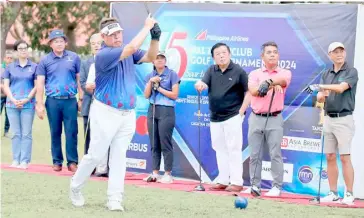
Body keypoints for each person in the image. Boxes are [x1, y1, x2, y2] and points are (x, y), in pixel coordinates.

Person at [69, 16, 160, 211]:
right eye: (113, 35)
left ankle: (114, 199)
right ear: (104, 37)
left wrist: (155, 38)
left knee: (119, 156)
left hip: (127, 113)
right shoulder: (104, 54)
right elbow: (131, 49)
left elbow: (151, 57)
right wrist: (146, 27)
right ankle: (75, 187)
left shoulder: (127, 49)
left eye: (119, 33)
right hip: (105, 111)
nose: (118, 37)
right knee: (95, 155)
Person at [305, 42, 358, 205]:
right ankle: (333, 192)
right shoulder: (326, 73)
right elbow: (322, 96)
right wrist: (320, 95)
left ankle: (349, 193)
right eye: (335, 52)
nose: (339, 54)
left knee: (344, 157)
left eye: (342, 51)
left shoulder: (351, 71)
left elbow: (341, 88)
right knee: (329, 156)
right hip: (328, 118)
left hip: (344, 118)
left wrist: (320, 87)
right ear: (330, 55)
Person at [195, 42, 250, 192]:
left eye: (224, 52)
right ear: (213, 57)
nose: (221, 55)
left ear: (229, 54)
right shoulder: (211, 70)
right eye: (217, 53)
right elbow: (203, 83)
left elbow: (248, 92)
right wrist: (199, 84)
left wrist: (241, 111)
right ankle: (223, 180)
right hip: (215, 117)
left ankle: (237, 182)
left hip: (233, 115)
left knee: (234, 148)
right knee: (219, 148)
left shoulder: (238, 71)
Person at [246, 41, 292, 197]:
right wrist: (267, 86)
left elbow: (283, 81)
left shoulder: (284, 72)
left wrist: (267, 82)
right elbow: (254, 91)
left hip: (275, 117)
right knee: (255, 154)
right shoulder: (254, 74)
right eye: (269, 52)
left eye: (275, 52)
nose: (272, 54)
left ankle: (276, 186)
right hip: (256, 117)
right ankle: (255, 185)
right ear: (262, 56)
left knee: (275, 154)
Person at [35, 29, 83, 172]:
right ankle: (57, 161)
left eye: (61, 41)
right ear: (50, 44)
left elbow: (79, 79)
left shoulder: (74, 57)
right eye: (56, 41)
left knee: (72, 131)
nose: (59, 44)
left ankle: (72, 161)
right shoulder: (45, 61)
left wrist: (81, 98)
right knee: (55, 131)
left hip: (70, 100)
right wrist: (39, 103)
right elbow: (40, 83)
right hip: (53, 101)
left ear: (65, 43)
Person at [143, 52, 180, 184]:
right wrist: (150, 82)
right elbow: (146, 95)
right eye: (157, 58)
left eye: (162, 58)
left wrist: (159, 88)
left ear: (165, 60)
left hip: (167, 110)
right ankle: (155, 173)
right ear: (153, 61)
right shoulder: (150, 75)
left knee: (165, 142)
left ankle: (168, 173)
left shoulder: (172, 74)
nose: (159, 61)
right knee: (154, 143)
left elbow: (175, 95)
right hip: (152, 109)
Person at [3, 40, 37, 169]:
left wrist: (27, 99)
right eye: (20, 48)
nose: (23, 50)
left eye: (25, 48)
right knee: (16, 133)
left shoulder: (34, 66)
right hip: (12, 104)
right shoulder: (10, 67)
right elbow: (6, 85)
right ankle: (15, 159)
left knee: (26, 133)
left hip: (28, 104)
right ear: (16, 51)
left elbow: (37, 86)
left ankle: (24, 161)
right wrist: (12, 98)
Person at [79, 33, 108, 177]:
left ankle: (103, 167)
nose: (96, 46)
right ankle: (88, 168)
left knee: (104, 136)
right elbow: (83, 83)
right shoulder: (85, 63)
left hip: (106, 106)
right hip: (89, 104)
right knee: (89, 137)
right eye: (93, 43)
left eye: (99, 43)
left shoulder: (109, 61)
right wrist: (90, 89)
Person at [1, 50, 13, 138]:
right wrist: (3, 87)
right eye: (8, 58)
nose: (9, 59)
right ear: (5, 59)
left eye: (11, 58)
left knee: (8, 114)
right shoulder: (1, 68)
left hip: (10, 96)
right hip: (0, 95)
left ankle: (6, 131)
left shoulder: (14, 69)